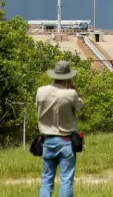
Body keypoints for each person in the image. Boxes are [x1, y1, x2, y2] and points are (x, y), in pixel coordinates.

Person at [36, 61, 84, 197]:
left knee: (46, 180)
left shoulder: (41, 91)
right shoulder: (70, 94)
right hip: (66, 140)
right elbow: (80, 106)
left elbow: (37, 109)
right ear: (68, 76)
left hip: (47, 140)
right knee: (66, 181)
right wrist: (75, 89)